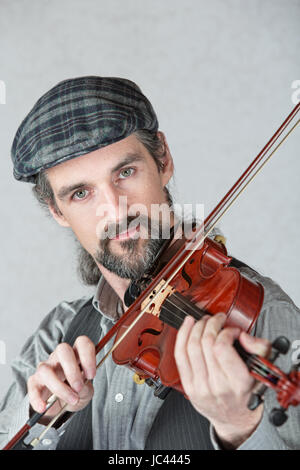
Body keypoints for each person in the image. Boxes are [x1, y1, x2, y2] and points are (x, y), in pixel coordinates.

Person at [1, 76, 300, 451]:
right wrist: (40, 420)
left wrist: (239, 427)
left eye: (125, 173)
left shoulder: (260, 313)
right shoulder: (57, 331)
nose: (115, 210)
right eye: (81, 193)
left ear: (163, 160)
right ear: (57, 211)